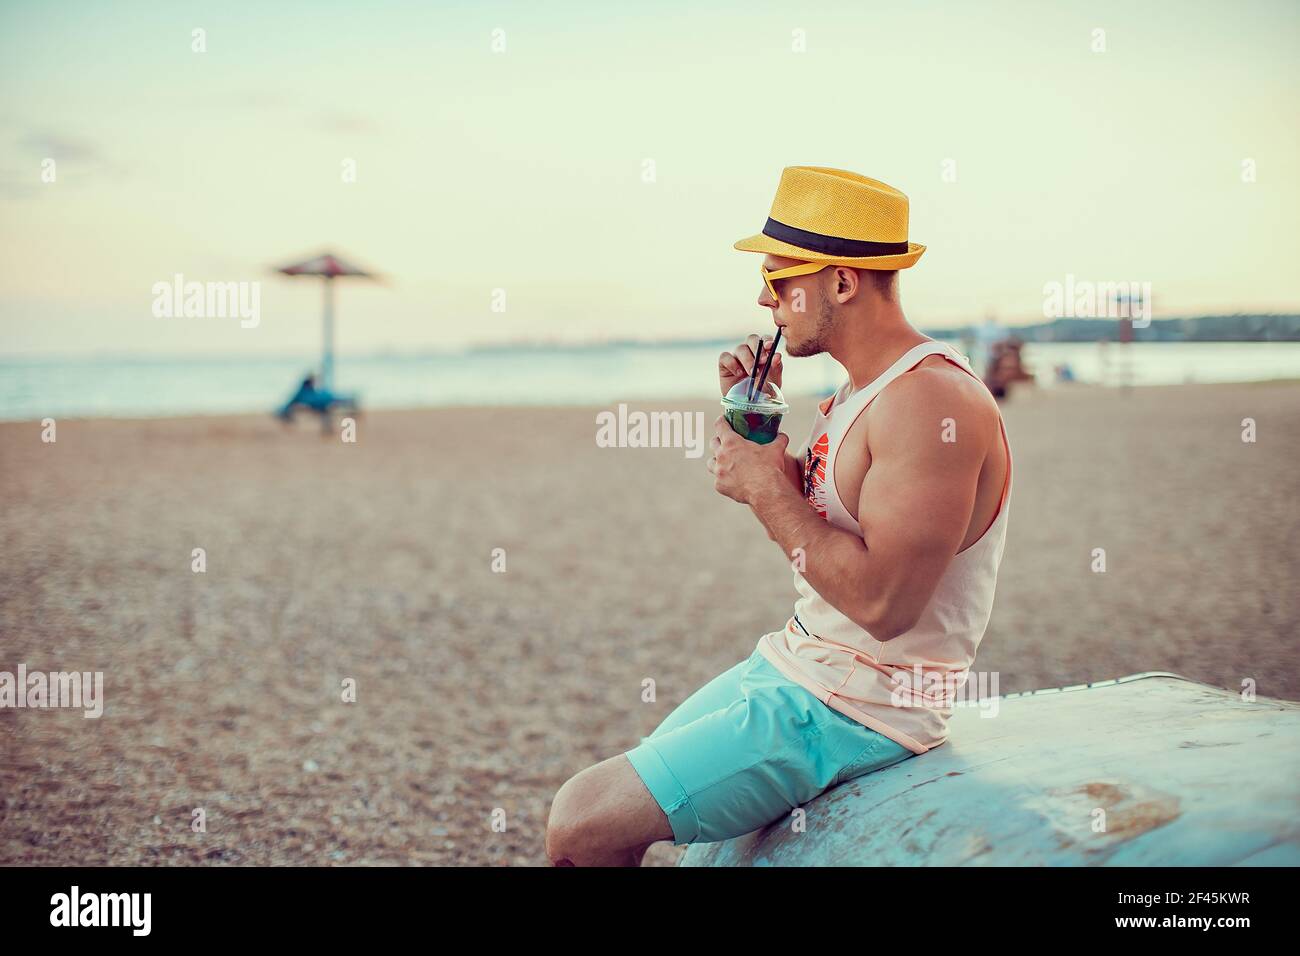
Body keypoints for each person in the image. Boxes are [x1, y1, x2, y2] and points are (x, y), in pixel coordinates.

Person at [545, 166, 1013, 866]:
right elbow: (838, 515)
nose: (764, 298)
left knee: (581, 823)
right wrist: (758, 427)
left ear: (842, 282)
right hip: (798, 663)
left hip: (861, 706)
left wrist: (766, 489)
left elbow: (887, 604)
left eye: (778, 278)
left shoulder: (929, 403)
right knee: (616, 801)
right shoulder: (866, 391)